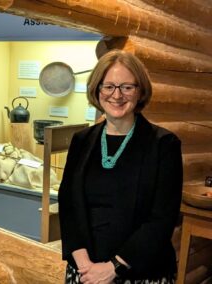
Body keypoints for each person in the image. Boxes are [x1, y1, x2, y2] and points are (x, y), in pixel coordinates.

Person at [58, 50, 183, 284]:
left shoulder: (164, 145)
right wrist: (85, 266)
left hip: (140, 272)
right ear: (97, 90)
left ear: (140, 91)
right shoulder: (81, 140)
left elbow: (162, 219)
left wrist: (113, 267)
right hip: (85, 273)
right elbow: (68, 207)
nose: (117, 95)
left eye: (127, 87)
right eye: (108, 86)